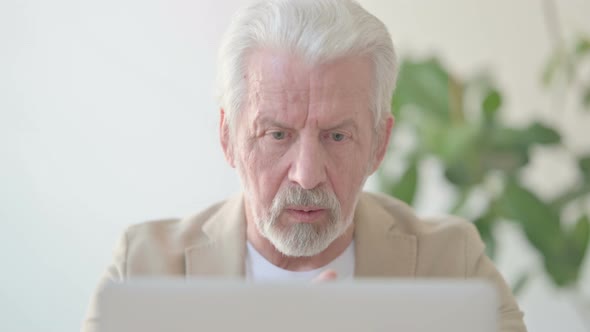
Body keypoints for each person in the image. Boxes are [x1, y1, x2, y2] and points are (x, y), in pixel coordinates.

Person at [83, 0, 527, 331]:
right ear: (228, 138)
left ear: (379, 143)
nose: (307, 174)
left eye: (337, 136)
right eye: (277, 135)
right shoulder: (142, 268)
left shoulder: (452, 264)